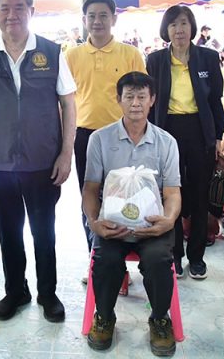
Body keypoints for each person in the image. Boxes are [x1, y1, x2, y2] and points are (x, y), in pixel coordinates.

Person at [0, 0, 76, 322]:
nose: (11, 15)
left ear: (31, 11)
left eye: (19, 7)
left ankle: (48, 293)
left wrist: (66, 153)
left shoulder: (51, 52)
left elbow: (68, 104)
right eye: (4, 8)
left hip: (42, 162)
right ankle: (16, 291)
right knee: (8, 233)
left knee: (44, 231)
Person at [82, 72, 181, 355]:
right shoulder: (100, 139)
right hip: (113, 224)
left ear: (152, 100)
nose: (135, 103)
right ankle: (104, 316)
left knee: (159, 259)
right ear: (119, 100)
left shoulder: (166, 142)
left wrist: (168, 221)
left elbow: (172, 193)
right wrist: (94, 223)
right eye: (129, 96)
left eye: (141, 97)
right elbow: (90, 189)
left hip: (152, 225)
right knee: (105, 259)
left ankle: (160, 318)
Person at [145, 5, 224, 279]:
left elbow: (215, 101)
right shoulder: (155, 60)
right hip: (167, 131)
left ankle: (197, 257)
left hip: (200, 130)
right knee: (171, 193)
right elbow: (151, 101)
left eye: (183, 23)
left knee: (200, 195)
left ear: (191, 27)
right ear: (166, 30)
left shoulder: (208, 58)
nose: (179, 30)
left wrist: (217, 135)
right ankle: (175, 253)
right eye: (173, 25)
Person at [65, 0, 146, 254]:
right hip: (85, 136)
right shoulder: (71, 56)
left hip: (122, 135)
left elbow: (141, 96)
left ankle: (122, 251)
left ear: (114, 19)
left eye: (103, 15)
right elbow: (63, 100)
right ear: (84, 20)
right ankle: (95, 253)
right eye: (92, 16)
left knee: (125, 194)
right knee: (89, 194)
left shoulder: (130, 54)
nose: (97, 21)